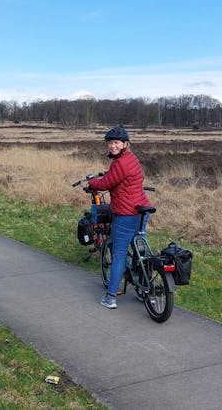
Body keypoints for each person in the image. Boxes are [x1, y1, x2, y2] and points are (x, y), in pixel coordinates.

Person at [87, 126, 152, 309]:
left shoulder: (119, 164)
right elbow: (125, 179)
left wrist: (91, 182)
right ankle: (144, 290)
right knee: (140, 251)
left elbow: (106, 183)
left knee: (119, 254)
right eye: (110, 143)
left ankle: (110, 297)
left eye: (116, 143)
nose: (112, 146)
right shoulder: (131, 159)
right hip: (142, 210)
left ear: (125, 144)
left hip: (126, 213)